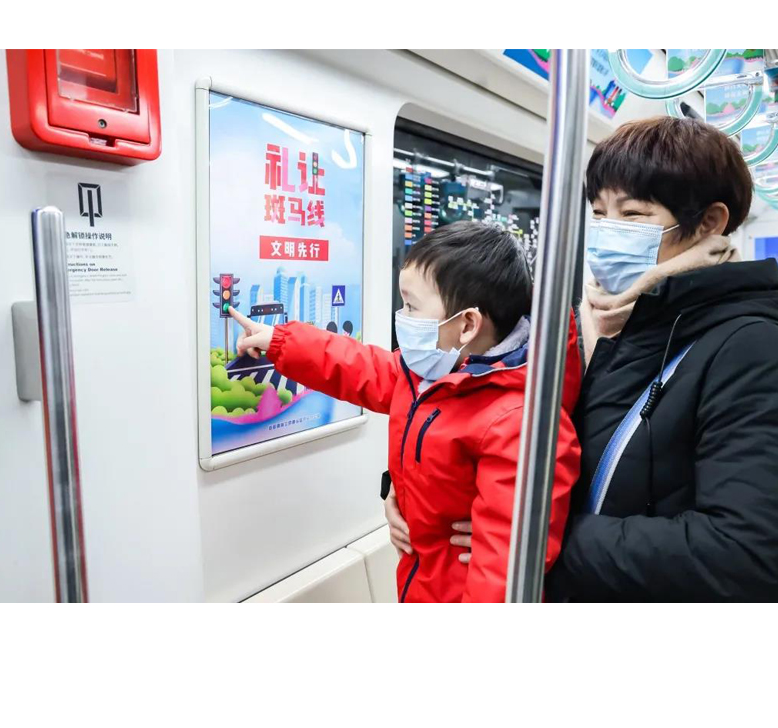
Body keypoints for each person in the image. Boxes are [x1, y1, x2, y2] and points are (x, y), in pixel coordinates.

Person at [418, 117, 778, 601]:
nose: (608, 231)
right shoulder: (583, 323)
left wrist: (543, 540)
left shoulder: (749, 346)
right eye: (599, 212)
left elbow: (745, 552)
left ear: (709, 223)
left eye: (633, 214)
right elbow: (493, 419)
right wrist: (417, 492)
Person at [229, 221, 581, 602]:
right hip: (420, 580)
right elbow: (358, 366)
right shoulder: (432, 374)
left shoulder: (519, 424)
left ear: (467, 325)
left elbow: (502, 572)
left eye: (412, 306)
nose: (403, 316)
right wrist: (281, 342)